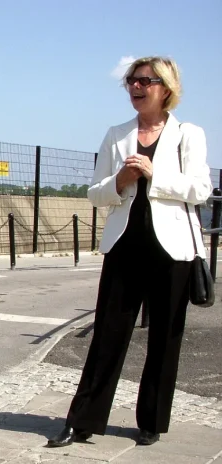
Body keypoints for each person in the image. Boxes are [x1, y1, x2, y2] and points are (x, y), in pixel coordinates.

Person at [47, 56, 212, 448]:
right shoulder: (116, 134)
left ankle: (151, 420)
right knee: (106, 335)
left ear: (166, 87)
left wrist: (156, 175)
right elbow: (94, 192)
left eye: (144, 81)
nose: (135, 88)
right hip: (124, 247)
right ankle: (81, 420)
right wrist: (120, 179)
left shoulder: (188, 134)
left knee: (164, 340)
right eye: (131, 82)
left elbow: (201, 190)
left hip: (172, 252)